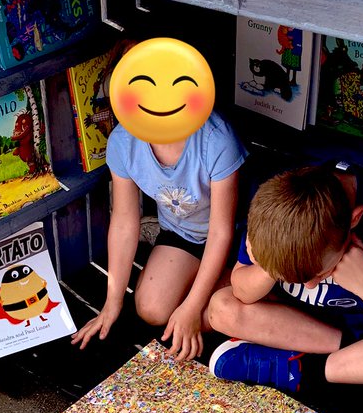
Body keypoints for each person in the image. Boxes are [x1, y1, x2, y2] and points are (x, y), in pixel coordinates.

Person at [72, 40, 246, 363]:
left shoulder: (216, 138)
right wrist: (112, 304)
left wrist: (192, 306)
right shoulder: (123, 143)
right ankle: (213, 299)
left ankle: (228, 307)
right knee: (151, 307)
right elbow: (125, 220)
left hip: (235, 240)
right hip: (182, 237)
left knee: (207, 311)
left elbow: (222, 232)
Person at [206, 160, 363, 398]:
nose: (311, 286)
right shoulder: (277, 211)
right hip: (316, 329)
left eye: (320, 273)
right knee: (222, 308)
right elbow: (241, 292)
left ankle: (307, 371)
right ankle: (354, 366)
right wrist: (267, 269)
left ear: (353, 221)